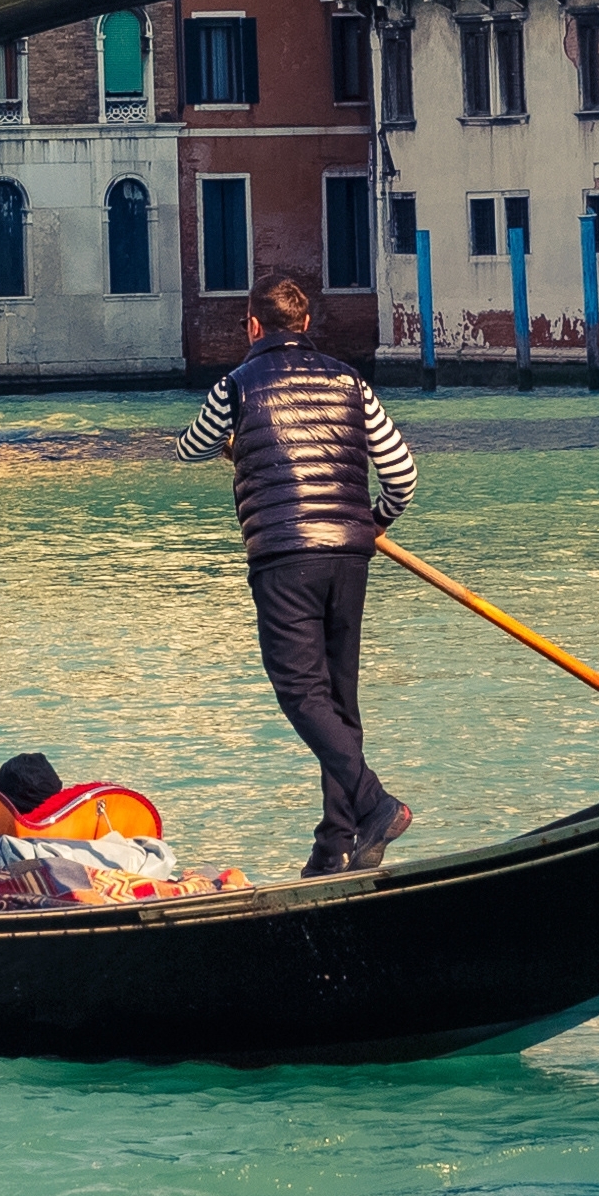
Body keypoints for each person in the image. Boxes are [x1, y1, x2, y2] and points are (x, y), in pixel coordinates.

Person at [175, 268, 421, 874]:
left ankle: (375, 805)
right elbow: (402, 476)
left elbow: (190, 448)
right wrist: (374, 522)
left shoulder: (235, 386)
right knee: (337, 699)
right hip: (350, 554)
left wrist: (234, 438)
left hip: (284, 556)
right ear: (306, 324)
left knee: (301, 693)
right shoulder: (351, 382)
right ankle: (336, 845)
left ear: (252, 327)